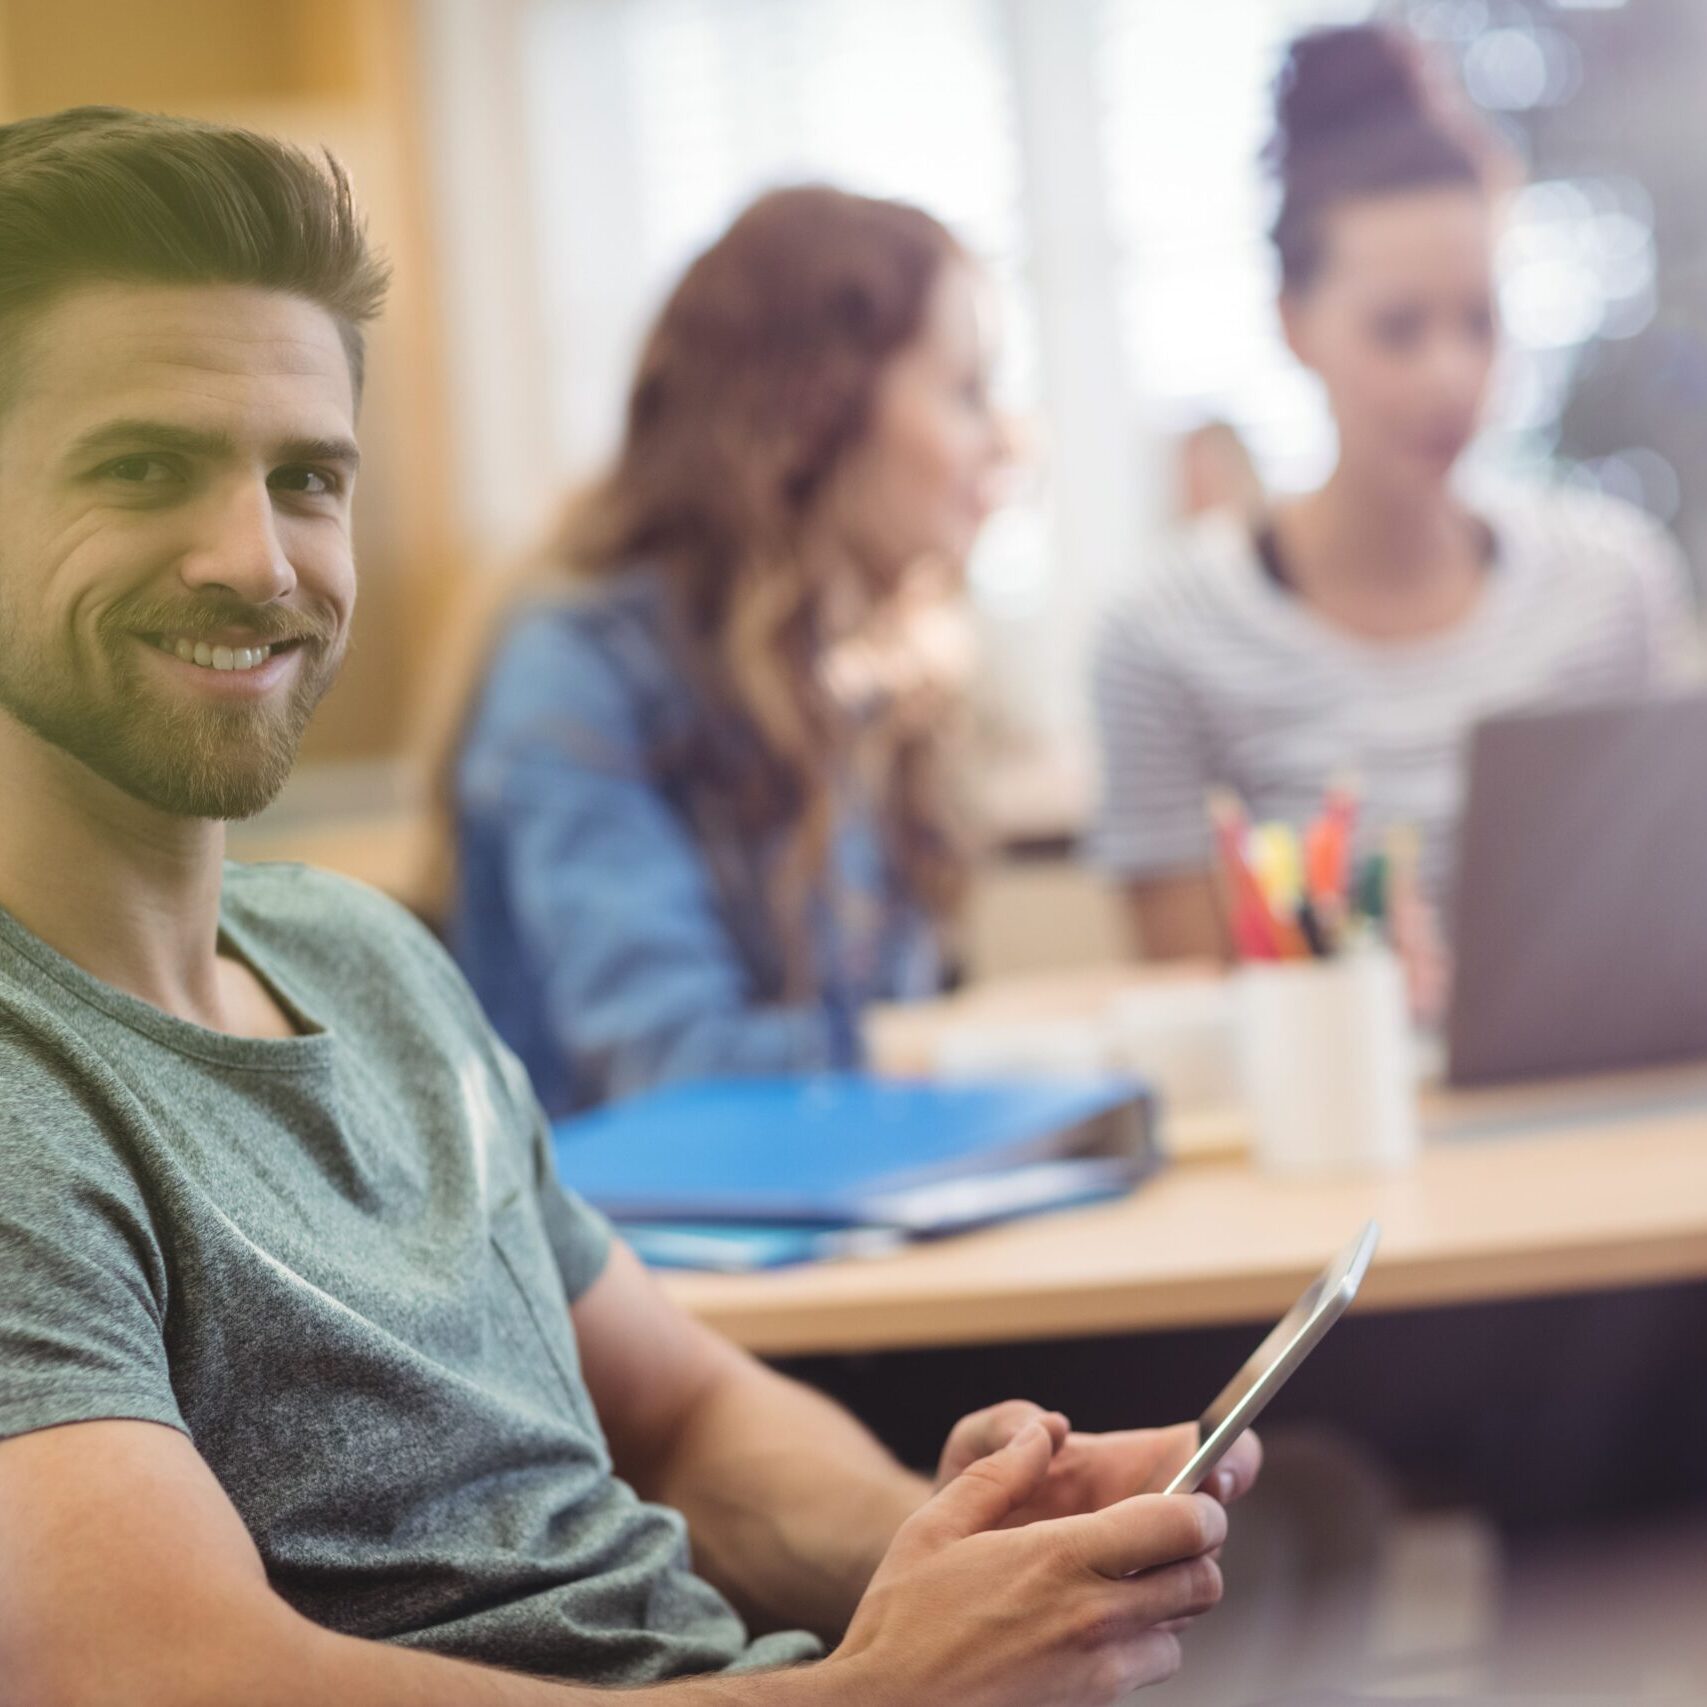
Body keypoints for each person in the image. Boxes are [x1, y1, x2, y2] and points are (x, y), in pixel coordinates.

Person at [0, 107, 1259, 1706]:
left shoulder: (366, 955)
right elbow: (161, 1671)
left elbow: (685, 1421)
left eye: (306, 476)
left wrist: (957, 1558)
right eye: (140, 465)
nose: (256, 558)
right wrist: (877, 1692)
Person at [1090, 23, 1701, 962]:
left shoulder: (1611, 584)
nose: (1449, 377)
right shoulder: (1161, 637)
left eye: (1477, 321)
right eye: (1396, 329)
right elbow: (1191, 997)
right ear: (1292, 324)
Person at [435, 186, 1005, 1113]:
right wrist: (985, 1046)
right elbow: (675, 1071)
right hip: (629, 1248)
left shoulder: (856, 670)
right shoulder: (574, 674)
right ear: (820, 408)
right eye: (966, 391)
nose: (1001, 443)